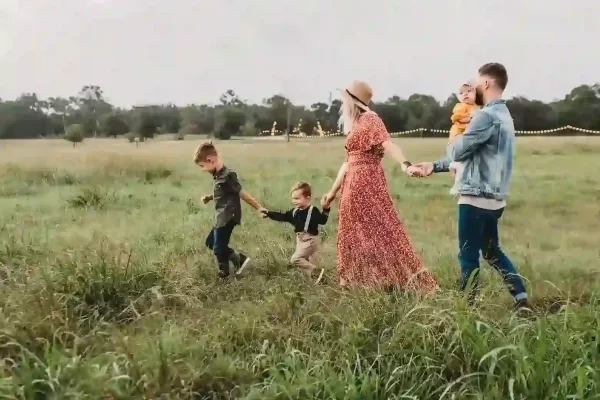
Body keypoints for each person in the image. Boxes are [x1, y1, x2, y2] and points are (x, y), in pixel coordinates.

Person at [414, 63, 530, 310]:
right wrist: (435, 166)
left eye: (476, 82)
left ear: (486, 83)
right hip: (495, 198)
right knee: (491, 252)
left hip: (475, 196)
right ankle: (521, 299)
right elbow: (476, 156)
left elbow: (459, 149)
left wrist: (454, 137)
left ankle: (466, 309)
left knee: (468, 256)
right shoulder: (505, 116)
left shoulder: (485, 116)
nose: (474, 86)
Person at [321, 80, 438, 293]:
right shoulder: (356, 125)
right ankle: (353, 281)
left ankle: (398, 278)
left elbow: (388, 144)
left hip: (367, 183)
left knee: (383, 230)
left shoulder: (371, 119)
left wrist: (406, 165)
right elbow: (347, 162)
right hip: (351, 185)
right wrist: (331, 193)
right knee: (350, 232)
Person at [194, 142, 265, 280]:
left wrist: (259, 207)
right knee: (210, 242)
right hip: (220, 216)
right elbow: (223, 192)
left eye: (202, 166)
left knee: (218, 248)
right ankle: (240, 260)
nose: (202, 169)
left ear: (210, 160)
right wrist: (209, 197)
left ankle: (224, 274)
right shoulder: (218, 175)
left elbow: (242, 193)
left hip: (228, 216)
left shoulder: (228, 175)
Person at [261, 182, 329, 284]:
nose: (294, 201)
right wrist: (269, 213)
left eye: (297, 198)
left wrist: (325, 208)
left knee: (296, 259)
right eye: (293, 198)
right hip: (300, 240)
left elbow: (323, 220)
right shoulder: (294, 212)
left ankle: (317, 273)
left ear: (307, 198)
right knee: (306, 261)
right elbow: (282, 216)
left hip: (310, 239)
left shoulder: (312, 210)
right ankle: (316, 281)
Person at [448, 84, 480, 194]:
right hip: (458, 135)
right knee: (462, 161)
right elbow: (456, 118)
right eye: (462, 93)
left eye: (469, 91)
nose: (465, 94)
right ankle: (458, 184)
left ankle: (458, 173)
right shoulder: (460, 106)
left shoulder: (477, 107)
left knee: (466, 162)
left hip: (467, 136)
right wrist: (471, 119)